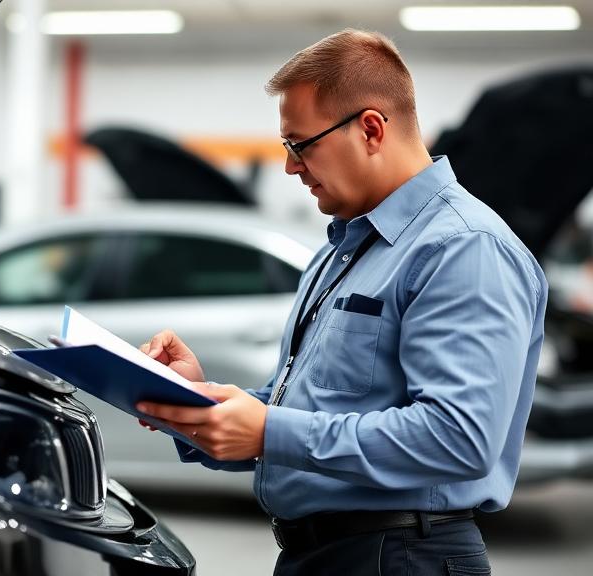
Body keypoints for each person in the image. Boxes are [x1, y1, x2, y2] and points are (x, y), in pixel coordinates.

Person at [136, 29, 547, 575]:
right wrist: (197, 403)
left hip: (401, 557)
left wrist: (267, 430)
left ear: (371, 129)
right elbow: (322, 408)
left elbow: (458, 437)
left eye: (299, 144)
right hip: (326, 555)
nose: (290, 167)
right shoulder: (344, 249)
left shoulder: (464, 248)